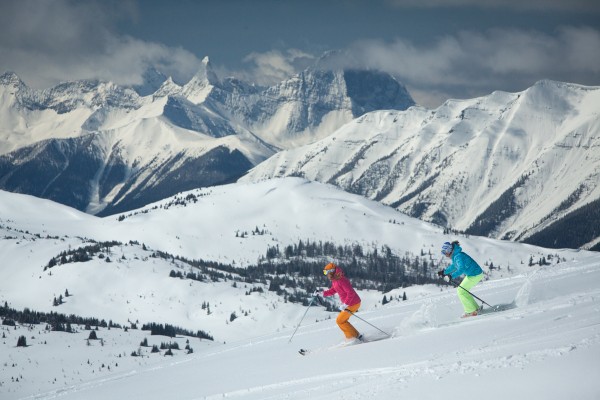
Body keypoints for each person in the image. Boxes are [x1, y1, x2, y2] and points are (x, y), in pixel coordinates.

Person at [438, 241, 484, 318]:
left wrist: (451, 276)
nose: (445, 255)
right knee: (462, 291)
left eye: (445, 252)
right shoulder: (456, 256)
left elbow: (461, 269)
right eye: (444, 253)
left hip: (475, 274)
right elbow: (454, 266)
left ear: (449, 250)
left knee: (461, 291)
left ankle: (471, 311)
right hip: (472, 274)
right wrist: (444, 272)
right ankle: (475, 309)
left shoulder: (458, 256)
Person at [318, 262, 363, 341]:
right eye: (324, 272)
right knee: (342, 320)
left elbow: (351, 293)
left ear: (331, 272)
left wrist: (345, 304)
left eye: (326, 272)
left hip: (353, 303)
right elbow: (333, 290)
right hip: (350, 304)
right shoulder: (335, 280)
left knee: (340, 320)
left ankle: (352, 338)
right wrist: (322, 293)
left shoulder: (341, 280)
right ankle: (356, 336)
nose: (326, 275)